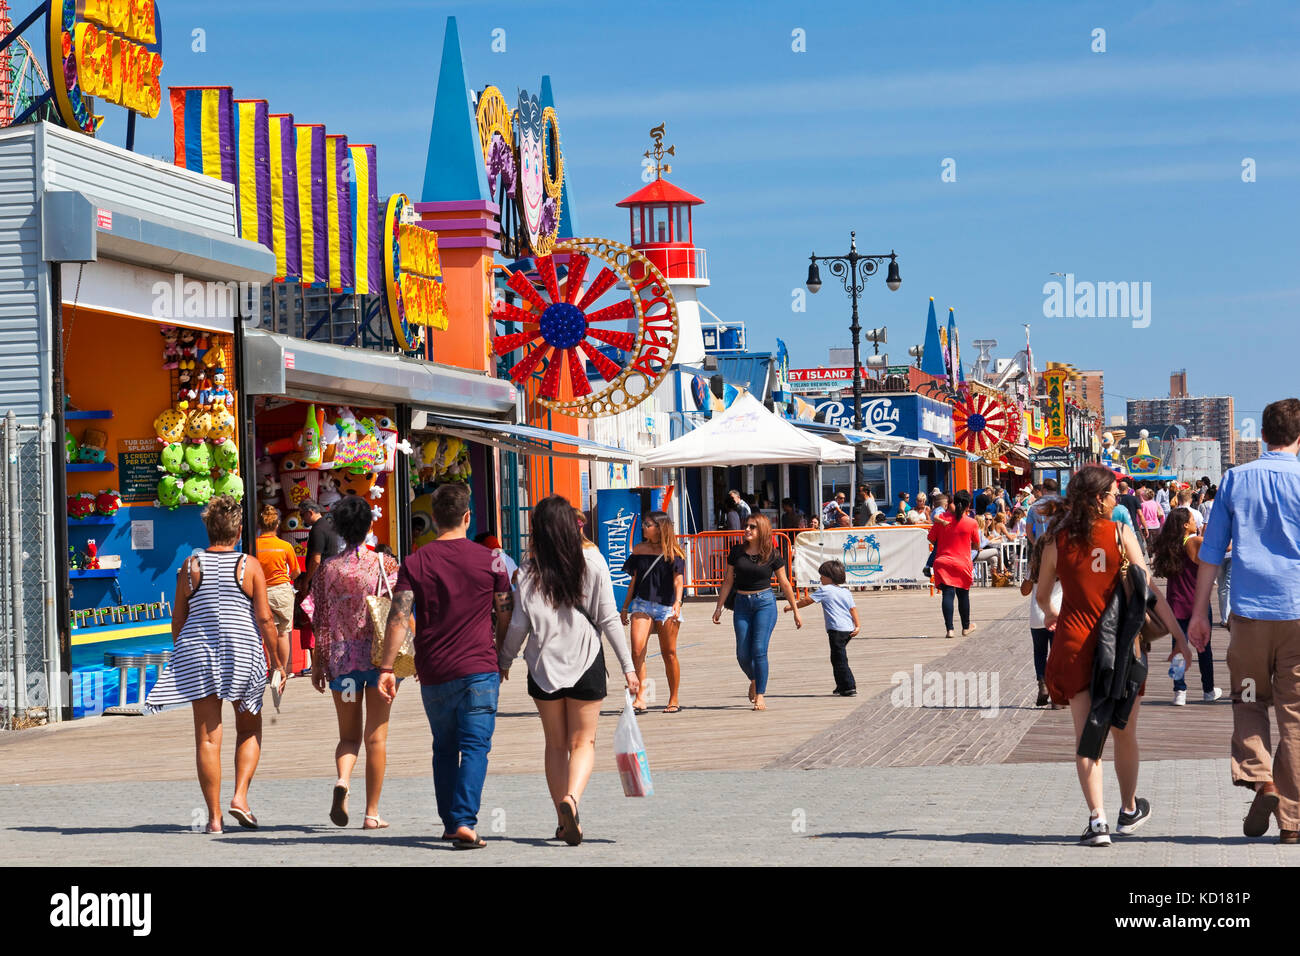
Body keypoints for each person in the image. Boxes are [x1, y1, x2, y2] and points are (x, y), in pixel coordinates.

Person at [1037, 465, 1190, 847]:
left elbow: (1041, 599)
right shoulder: (1121, 534)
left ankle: (1097, 820)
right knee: (1124, 732)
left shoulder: (1056, 539)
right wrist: (1179, 636)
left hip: (1074, 643)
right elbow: (1149, 591)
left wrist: (1058, 616)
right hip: (1121, 647)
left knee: (1086, 735)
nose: (1115, 499)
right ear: (1099, 498)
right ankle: (1127, 810)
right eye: (1111, 494)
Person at [1189, 398, 1300, 843]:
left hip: (1250, 614)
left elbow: (1210, 551)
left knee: (1250, 699)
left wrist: (1199, 612)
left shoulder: (1235, 479)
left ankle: (1262, 778)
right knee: (1295, 715)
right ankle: (1293, 824)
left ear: (1264, 436)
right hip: (1298, 614)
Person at [377, 483, 512, 850]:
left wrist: (387, 667)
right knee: (475, 747)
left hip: (434, 670)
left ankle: (452, 823)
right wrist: (502, 654)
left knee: (443, 747)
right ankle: (465, 820)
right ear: (467, 517)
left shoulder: (415, 562)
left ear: (434, 519)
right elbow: (505, 611)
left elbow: (399, 617)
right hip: (480, 667)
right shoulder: (491, 560)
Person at [501, 496, 638, 845]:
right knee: (584, 741)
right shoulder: (593, 563)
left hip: (543, 668)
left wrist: (503, 661)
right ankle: (572, 800)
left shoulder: (528, 572)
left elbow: (518, 625)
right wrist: (629, 668)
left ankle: (562, 822)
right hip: (586, 662)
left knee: (555, 744)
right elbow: (608, 618)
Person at [145, 495, 277, 832]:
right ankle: (240, 797)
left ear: (207, 529)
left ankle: (214, 819)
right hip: (242, 651)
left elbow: (179, 619)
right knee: (249, 727)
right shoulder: (248, 566)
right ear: (238, 531)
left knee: (207, 739)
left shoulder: (190, 567)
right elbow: (264, 619)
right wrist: (277, 660)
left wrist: (184, 653)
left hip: (199, 652)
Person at [309, 495, 401, 830]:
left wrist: (318, 663)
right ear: (368, 525)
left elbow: (319, 618)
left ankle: (343, 781)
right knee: (376, 737)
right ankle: (372, 813)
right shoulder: (384, 565)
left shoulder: (326, 570)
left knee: (348, 736)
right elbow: (400, 612)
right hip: (379, 662)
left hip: (342, 663)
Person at [713, 513, 802, 710]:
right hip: (742, 604)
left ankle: (760, 694)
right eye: (746, 526)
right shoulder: (737, 551)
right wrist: (718, 607)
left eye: (752, 526)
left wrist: (795, 610)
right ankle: (754, 678)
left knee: (759, 650)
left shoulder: (772, 553)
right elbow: (728, 581)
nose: (747, 529)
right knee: (742, 654)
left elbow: (785, 583)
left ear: (762, 530)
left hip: (765, 604)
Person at [1150, 509, 1221, 706]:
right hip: (1197, 603)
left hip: (1175, 602)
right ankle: (1208, 690)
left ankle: (1179, 691)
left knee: (1178, 647)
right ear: (1185, 525)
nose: (1195, 522)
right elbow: (1223, 547)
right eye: (1192, 520)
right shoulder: (1194, 541)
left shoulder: (1169, 546)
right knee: (1203, 648)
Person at [620, 510, 686, 714]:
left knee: (670, 653)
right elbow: (634, 580)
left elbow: (678, 579)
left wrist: (678, 601)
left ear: (659, 528)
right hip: (642, 603)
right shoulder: (639, 549)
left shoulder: (674, 552)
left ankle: (673, 698)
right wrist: (625, 606)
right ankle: (641, 697)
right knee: (637, 651)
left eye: (647, 524)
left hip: (666, 606)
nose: (643, 526)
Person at [786, 559, 858, 696]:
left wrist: (792, 607)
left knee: (840, 659)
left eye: (822, 576)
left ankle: (849, 686)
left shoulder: (825, 590)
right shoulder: (845, 592)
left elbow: (808, 600)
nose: (820, 578)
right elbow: (853, 609)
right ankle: (840, 686)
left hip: (836, 630)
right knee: (837, 657)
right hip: (848, 629)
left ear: (830, 577)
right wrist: (858, 625)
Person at [255, 503, 299, 704]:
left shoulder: (253, 545)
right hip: (281, 590)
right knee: (283, 632)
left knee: (263, 632)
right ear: (277, 525)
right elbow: (296, 571)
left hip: (259, 591)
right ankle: (283, 670)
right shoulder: (285, 546)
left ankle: (270, 667)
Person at [928, 490, 982, 639]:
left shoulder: (942, 519)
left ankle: (950, 630)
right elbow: (976, 545)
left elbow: (931, 539)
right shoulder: (971, 522)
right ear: (968, 505)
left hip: (943, 561)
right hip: (962, 563)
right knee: (963, 595)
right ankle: (965, 627)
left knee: (948, 594)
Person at [1022, 529, 1063, 708]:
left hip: (1037, 616)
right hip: (1056, 614)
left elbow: (1024, 591)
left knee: (1039, 652)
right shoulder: (1060, 564)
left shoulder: (1034, 567)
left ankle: (1042, 684)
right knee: (1057, 654)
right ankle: (1056, 696)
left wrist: (1030, 579)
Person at [1026, 478, 1061, 543]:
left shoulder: (1034, 507)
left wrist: (1035, 544)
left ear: (1044, 490)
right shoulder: (1064, 505)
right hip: (1060, 545)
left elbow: (1028, 530)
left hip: (1042, 545)